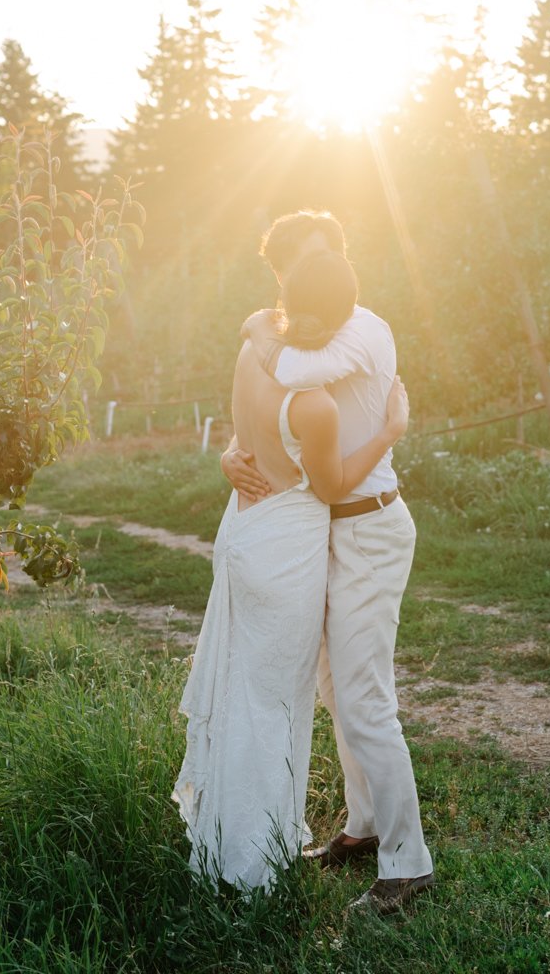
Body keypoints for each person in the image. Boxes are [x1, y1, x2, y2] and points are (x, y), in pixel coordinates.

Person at [172, 249, 408, 893]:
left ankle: (225, 838)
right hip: (291, 551)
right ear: (338, 318)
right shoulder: (315, 405)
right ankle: (253, 857)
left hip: (246, 533)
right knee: (276, 703)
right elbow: (330, 489)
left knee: (244, 690)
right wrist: (389, 432)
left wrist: (229, 455)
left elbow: (242, 432)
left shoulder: (252, 352)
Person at [224, 210, 436, 913]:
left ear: (341, 264)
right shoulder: (301, 326)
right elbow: (267, 407)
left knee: (367, 698)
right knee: (335, 689)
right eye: (291, 275)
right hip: (322, 529)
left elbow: (285, 369)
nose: (305, 285)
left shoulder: (359, 329)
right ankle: (365, 828)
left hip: (369, 526)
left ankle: (408, 865)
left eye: (317, 266)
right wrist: (231, 451)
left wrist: (257, 329)